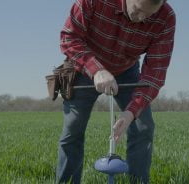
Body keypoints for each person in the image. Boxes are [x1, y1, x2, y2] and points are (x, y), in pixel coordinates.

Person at [56, 0, 175, 183]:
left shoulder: (166, 17)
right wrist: (96, 70)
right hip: (84, 67)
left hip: (127, 69)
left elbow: (155, 73)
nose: (141, 18)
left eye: (149, 14)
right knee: (73, 128)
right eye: (138, 10)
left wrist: (131, 113)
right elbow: (69, 38)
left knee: (143, 127)